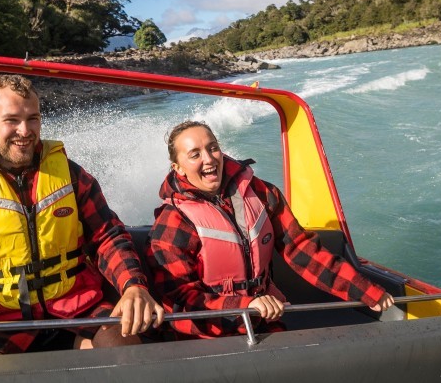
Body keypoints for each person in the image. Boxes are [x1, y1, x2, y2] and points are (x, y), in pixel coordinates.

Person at [0, 74, 163, 357]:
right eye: (12, 120)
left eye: (33, 118)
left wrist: (133, 285)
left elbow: (109, 236)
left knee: (126, 353)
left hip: (78, 307)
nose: (25, 130)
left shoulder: (71, 175)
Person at [147, 120, 394, 339]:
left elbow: (302, 250)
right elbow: (179, 298)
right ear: (177, 167)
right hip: (205, 335)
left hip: (264, 323)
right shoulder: (173, 221)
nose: (209, 159)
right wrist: (245, 304)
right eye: (195, 154)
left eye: (213, 147)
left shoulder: (263, 194)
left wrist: (363, 289)